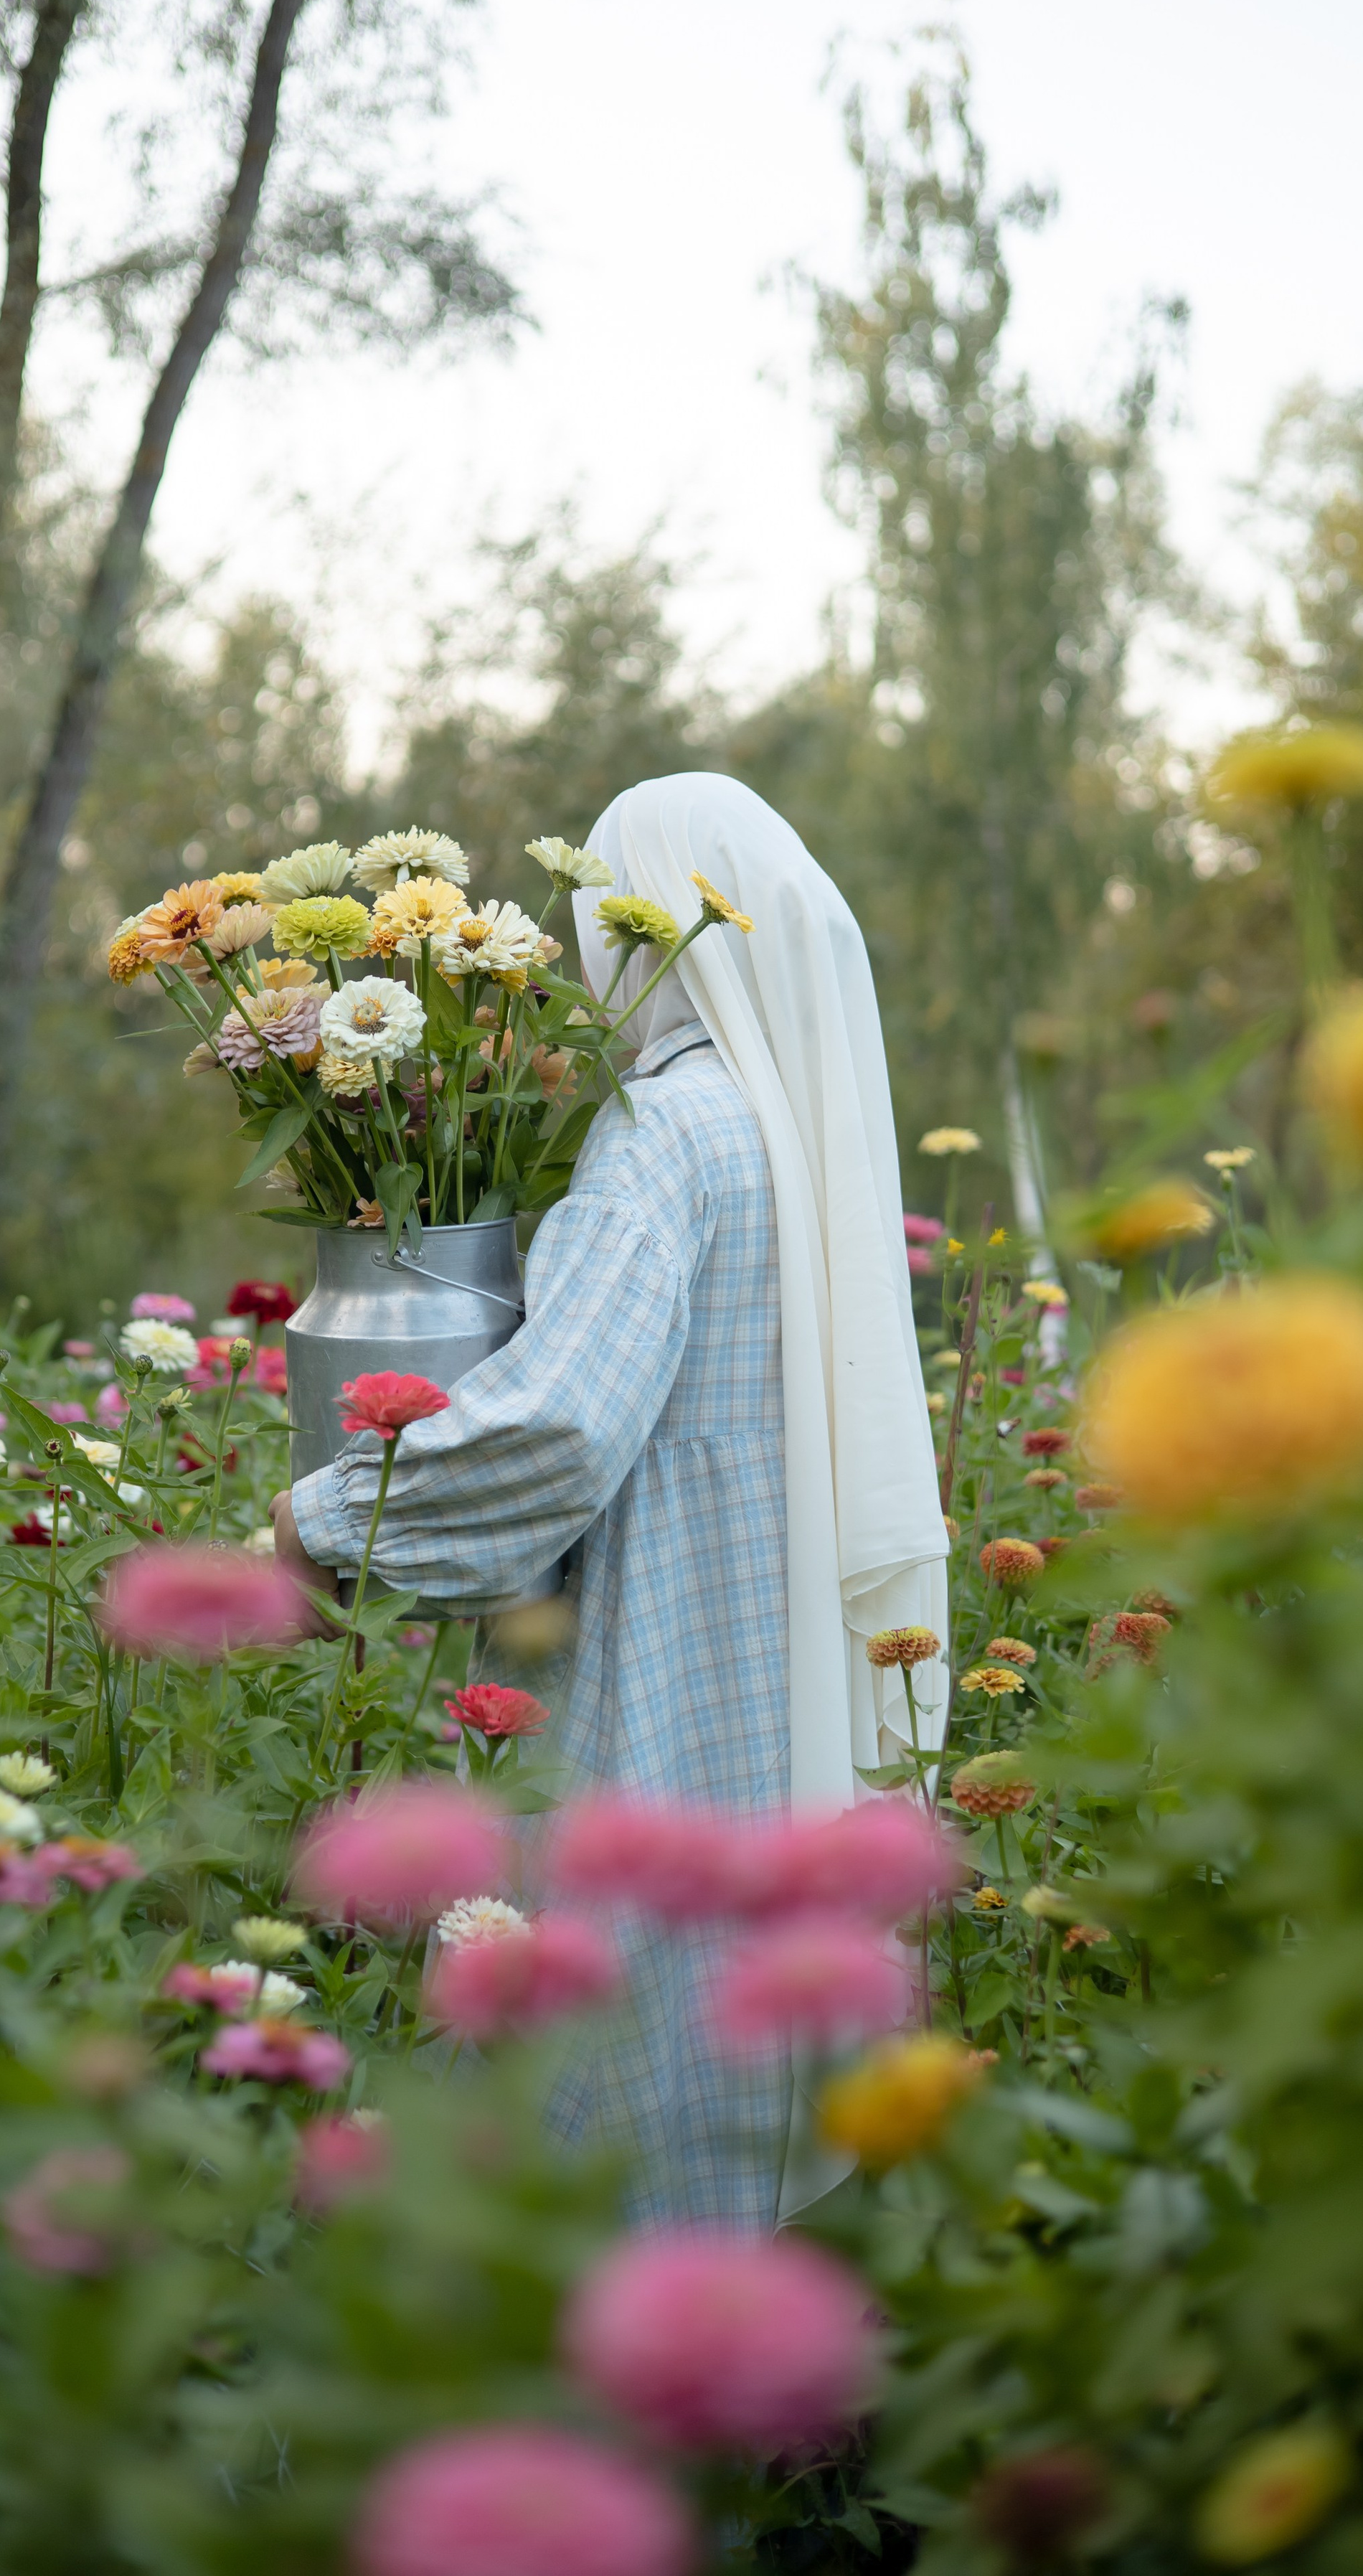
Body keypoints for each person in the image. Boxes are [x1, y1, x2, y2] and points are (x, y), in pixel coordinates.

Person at [273, 771, 949, 2228]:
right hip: (781, 1641)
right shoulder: (793, 1130)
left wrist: (326, 1525)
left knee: (636, 2001)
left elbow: (561, 1425)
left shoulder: (667, 1133)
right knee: (755, 1985)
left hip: (668, 1638)